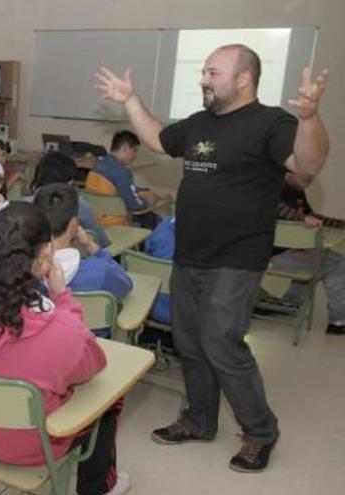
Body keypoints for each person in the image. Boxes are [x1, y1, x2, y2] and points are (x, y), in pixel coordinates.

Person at [96, 43, 330, 472]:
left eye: (213, 72)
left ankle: (261, 431)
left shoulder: (271, 123)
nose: (203, 79)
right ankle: (200, 420)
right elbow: (158, 138)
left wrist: (311, 118)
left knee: (222, 342)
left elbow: (307, 164)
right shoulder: (200, 123)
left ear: (244, 79)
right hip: (191, 254)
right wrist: (130, 99)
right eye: (203, 71)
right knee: (189, 342)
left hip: (237, 257)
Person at [0, 203, 129, 495]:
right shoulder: (59, 329)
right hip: (28, 448)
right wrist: (62, 297)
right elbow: (93, 364)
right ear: (47, 255)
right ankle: (98, 488)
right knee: (111, 394)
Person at [34, 184, 133, 337]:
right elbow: (126, 284)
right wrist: (91, 246)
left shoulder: (20, 270)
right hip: (92, 344)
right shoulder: (101, 271)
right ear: (74, 224)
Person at [271, 173, 345, 335]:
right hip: (275, 255)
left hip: (293, 249)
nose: (309, 180)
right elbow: (278, 208)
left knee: (326, 259)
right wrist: (303, 218)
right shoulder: (272, 188)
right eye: (306, 176)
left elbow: (311, 216)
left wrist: (339, 223)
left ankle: (291, 304)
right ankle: (339, 322)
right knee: (339, 265)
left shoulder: (296, 190)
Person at [28, 149, 110, 248]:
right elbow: (102, 240)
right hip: (76, 259)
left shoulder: (23, 206)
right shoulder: (79, 205)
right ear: (69, 182)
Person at [88, 131, 168, 229]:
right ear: (125, 148)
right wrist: (149, 201)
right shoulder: (121, 171)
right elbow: (135, 206)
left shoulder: (97, 166)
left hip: (95, 221)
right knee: (156, 219)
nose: (135, 155)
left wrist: (141, 191)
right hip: (115, 223)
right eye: (134, 150)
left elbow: (118, 188)